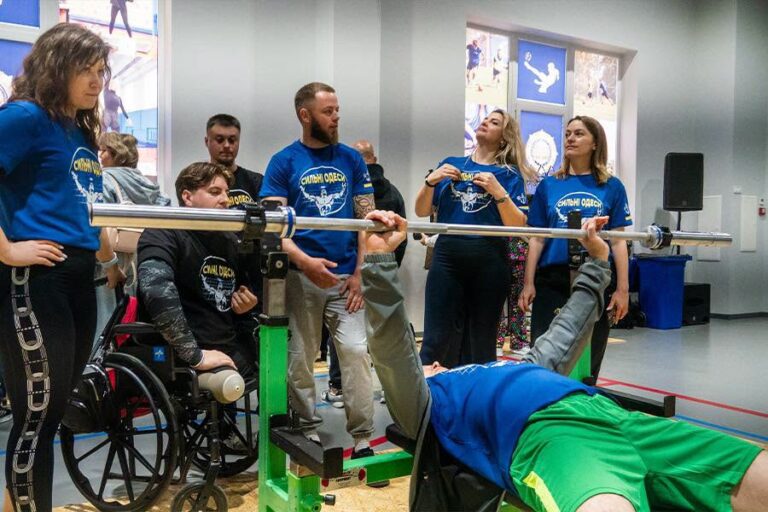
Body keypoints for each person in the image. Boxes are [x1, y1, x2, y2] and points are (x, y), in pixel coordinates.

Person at [361, 210, 768, 512]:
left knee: (753, 470)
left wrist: (597, 260)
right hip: (546, 437)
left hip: (615, 418)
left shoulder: (521, 365)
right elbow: (393, 351)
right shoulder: (431, 402)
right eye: (425, 365)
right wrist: (379, 263)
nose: (431, 363)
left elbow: (568, 327)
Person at [0, 23, 120, 511]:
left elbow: (88, 204)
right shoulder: (25, 117)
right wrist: (7, 250)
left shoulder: (79, 131)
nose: (96, 82)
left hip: (78, 275)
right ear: (56, 67)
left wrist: (108, 258)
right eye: (84, 70)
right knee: (37, 415)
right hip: (36, 277)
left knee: (51, 413)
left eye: (100, 71)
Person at [260, 82, 376, 459]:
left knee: (356, 352)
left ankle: (362, 437)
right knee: (301, 358)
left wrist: (360, 273)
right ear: (305, 115)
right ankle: (306, 428)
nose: (336, 117)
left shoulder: (352, 160)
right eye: (328, 111)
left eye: (337, 109)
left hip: (346, 279)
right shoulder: (283, 162)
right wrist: (306, 264)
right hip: (301, 277)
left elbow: (366, 221)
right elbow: (273, 227)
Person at [414, 109, 535, 368]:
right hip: (447, 257)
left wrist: (498, 192)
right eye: (485, 118)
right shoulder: (450, 163)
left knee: (481, 341)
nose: (485, 122)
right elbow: (421, 211)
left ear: (504, 137)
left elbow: (518, 225)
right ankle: (429, 389)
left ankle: (476, 390)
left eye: (494, 122)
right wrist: (430, 181)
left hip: (489, 259)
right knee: (436, 338)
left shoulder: (509, 174)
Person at [519, 115, 631, 379]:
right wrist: (528, 283)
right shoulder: (549, 185)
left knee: (588, 356)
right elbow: (537, 238)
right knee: (545, 352)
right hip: (552, 279)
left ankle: (585, 399)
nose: (570, 138)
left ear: (595, 143)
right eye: (568, 133)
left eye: (579, 134)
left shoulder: (612, 186)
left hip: (595, 277)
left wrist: (623, 290)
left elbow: (618, 241)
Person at [137, 162, 259, 378]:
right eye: (215, 192)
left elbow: (241, 295)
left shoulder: (230, 240)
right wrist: (194, 355)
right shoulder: (163, 231)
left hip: (228, 349)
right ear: (187, 196)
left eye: (226, 192)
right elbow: (155, 290)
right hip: (182, 355)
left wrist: (245, 305)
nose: (226, 199)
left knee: (275, 371)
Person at [205, 113, 264, 303]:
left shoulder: (256, 181)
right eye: (219, 139)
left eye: (232, 140)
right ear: (207, 141)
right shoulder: (198, 182)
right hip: (211, 266)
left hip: (250, 271)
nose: (226, 145)